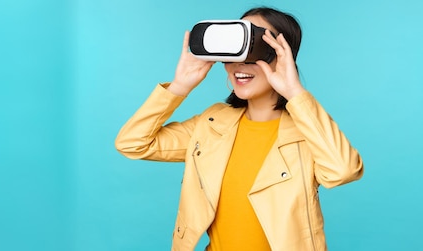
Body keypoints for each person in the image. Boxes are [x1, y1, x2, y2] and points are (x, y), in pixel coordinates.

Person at [114, 7, 364, 251]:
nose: (241, 64)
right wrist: (179, 86)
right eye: (236, 50)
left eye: (257, 49)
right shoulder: (212, 124)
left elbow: (343, 171)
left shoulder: (307, 132)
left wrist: (295, 92)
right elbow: (132, 143)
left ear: (283, 56)